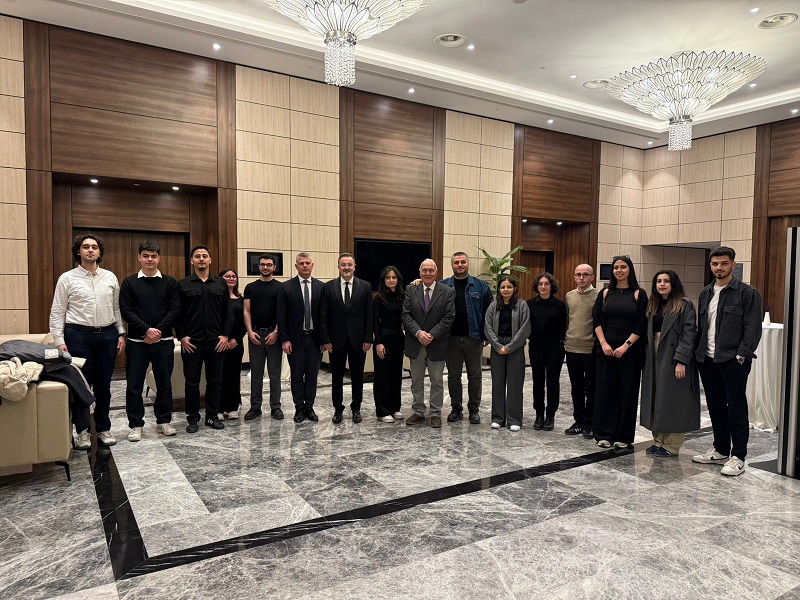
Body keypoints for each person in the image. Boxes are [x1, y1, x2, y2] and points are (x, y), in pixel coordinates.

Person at [50, 233, 126, 448]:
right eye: (86, 247)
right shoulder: (67, 278)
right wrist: (59, 340)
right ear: (78, 251)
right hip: (77, 336)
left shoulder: (110, 277)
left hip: (107, 335)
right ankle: (82, 431)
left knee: (104, 385)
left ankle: (103, 428)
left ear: (100, 252)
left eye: (94, 247)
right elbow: (57, 311)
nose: (90, 250)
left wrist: (121, 333)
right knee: (81, 385)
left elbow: (116, 308)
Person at [692, 246, 763, 476]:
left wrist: (741, 355)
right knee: (715, 406)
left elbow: (752, 329)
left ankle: (738, 456)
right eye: (715, 264)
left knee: (736, 408)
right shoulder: (705, 293)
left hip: (733, 360)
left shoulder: (747, 293)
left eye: (724, 263)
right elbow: (703, 327)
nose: (719, 268)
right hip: (707, 359)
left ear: (733, 264)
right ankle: (721, 450)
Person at [119, 241, 180, 442]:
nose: (150, 259)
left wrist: (157, 331)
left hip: (164, 341)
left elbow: (175, 310)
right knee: (134, 385)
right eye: (145, 256)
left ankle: (164, 421)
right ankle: (136, 425)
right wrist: (146, 329)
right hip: (137, 342)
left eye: (153, 256)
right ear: (139, 258)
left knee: (164, 383)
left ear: (159, 258)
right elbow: (126, 310)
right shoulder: (129, 283)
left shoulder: (170, 282)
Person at [641, 270, 700, 457]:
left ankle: (671, 445)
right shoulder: (653, 304)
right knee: (656, 397)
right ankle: (658, 440)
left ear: (673, 284)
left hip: (672, 355)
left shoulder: (684, 305)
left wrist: (681, 361)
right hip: (653, 352)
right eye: (658, 281)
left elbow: (689, 335)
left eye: (666, 281)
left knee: (672, 399)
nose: (662, 284)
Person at [592, 255, 647, 449]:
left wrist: (626, 346)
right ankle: (604, 434)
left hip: (629, 352)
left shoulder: (639, 294)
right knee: (605, 392)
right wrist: (604, 343)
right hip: (606, 350)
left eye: (623, 267)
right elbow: (596, 319)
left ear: (630, 269)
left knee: (627, 392)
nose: (619, 270)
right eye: (616, 267)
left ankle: (623, 435)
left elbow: (642, 322)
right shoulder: (605, 293)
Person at [176, 245, 232, 433]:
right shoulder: (183, 284)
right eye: (197, 256)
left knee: (215, 381)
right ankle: (192, 418)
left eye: (204, 256)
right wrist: (182, 336)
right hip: (192, 343)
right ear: (192, 260)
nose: (201, 259)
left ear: (210, 260)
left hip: (216, 342)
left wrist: (225, 335)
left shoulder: (220, 283)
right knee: (191, 382)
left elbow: (228, 313)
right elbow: (178, 314)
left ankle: (212, 416)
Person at [321, 253, 373, 424]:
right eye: (343, 265)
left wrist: (368, 339)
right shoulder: (328, 287)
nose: (346, 268)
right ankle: (338, 409)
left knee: (357, 376)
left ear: (354, 266)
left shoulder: (365, 286)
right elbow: (323, 316)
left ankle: (356, 408)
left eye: (349, 264)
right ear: (338, 267)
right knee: (336, 377)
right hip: (335, 341)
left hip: (358, 341)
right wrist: (325, 339)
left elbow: (369, 315)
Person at [402, 259, 455, 428]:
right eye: (424, 270)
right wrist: (418, 332)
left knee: (437, 381)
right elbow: (406, 314)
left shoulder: (447, 291)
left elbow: (449, 317)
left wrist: (432, 334)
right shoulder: (411, 289)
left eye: (431, 270)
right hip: (415, 342)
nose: (427, 273)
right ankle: (418, 411)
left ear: (436, 272)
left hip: (437, 343)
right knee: (416, 380)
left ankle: (435, 413)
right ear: (419, 272)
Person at [441, 252, 493, 425]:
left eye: (463, 261)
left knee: (475, 376)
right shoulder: (443, 286)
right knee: (453, 376)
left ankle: (474, 409)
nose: (460, 265)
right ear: (452, 265)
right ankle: (456, 408)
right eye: (456, 262)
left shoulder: (480, 286)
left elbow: (488, 313)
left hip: (474, 338)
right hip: (451, 339)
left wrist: (486, 334)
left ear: (468, 264)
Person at [277, 252, 326, 424]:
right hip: (295, 340)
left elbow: (324, 316)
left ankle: (309, 407)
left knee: (312, 375)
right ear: (296, 266)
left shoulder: (321, 287)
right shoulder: (286, 287)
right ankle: (299, 407)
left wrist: (325, 340)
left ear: (312, 265)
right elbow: (281, 316)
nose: (305, 265)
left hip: (315, 340)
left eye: (308, 263)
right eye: (301, 263)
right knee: (297, 376)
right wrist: (284, 339)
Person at [484, 276, 530, 431]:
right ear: (499, 289)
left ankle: (514, 419)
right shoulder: (493, 305)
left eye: (509, 287)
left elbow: (525, 328)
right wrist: (497, 346)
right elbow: (488, 327)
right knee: (497, 383)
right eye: (503, 287)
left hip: (515, 347)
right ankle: (498, 418)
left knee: (515, 384)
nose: (506, 290)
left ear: (514, 289)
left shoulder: (522, 305)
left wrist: (510, 347)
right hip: (497, 347)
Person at [243, 253, 283, 421]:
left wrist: (276, 332)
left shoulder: (280, 288)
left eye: (269, 264)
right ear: (258, 266)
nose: (265, 267)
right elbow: (246, 311)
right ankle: (255, 407)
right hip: (255, 335)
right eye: (262, 264)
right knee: (256, 374)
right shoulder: (250, 287)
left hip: (274, 335)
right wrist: (250, 332)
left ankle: (276, 407)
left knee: (274, 374)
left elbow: (282, 312)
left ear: (274, 267)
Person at [527, 272, 567, 431]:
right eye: (540, 284)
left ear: (552, 286)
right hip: (536, 347)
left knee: (552, 381)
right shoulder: (530, 304)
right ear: (537, 286)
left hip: (555, 348)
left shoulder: (560, 305)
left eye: (546, 284)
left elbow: (564, 326)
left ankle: (550, 415)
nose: (543, 286)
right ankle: (539, 414)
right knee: (537, 381)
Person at [564, 264, 599, 439]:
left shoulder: (599, 296)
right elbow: (567, 319)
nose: (582, 278)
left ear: (592, 277)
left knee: (591, 389)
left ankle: (589, 423)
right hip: (572, 347)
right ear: (574, 277)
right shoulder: (569, 296)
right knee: (576, 388)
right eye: (578, 274)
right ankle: (578, 421)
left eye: (585, 274)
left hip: (591, 348)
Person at [373, 266, 406, 422]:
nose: (391, 280)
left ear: (398, 279)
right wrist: (378, 343)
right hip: (383, 339)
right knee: (382, 376)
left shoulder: (403, 296)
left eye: (394, 277)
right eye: (388, 277)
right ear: (383, 280)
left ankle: (395, 408)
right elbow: (375, 322)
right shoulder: (379, 298)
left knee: (396, 374)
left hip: (398, 338)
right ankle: (382, 411)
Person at [219, 269, 246, 420]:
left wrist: (237, 338)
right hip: (219, 342)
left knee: (234, 374)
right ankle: (219, 407)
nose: (231, 278)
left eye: (233, 276)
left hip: (236, 343)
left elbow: (245, 322)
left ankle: (233, 407)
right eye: (227, 276)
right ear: (221, 279)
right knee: (219, 375)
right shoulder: (217, 298)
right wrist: (222, 338)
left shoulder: (242, 299)